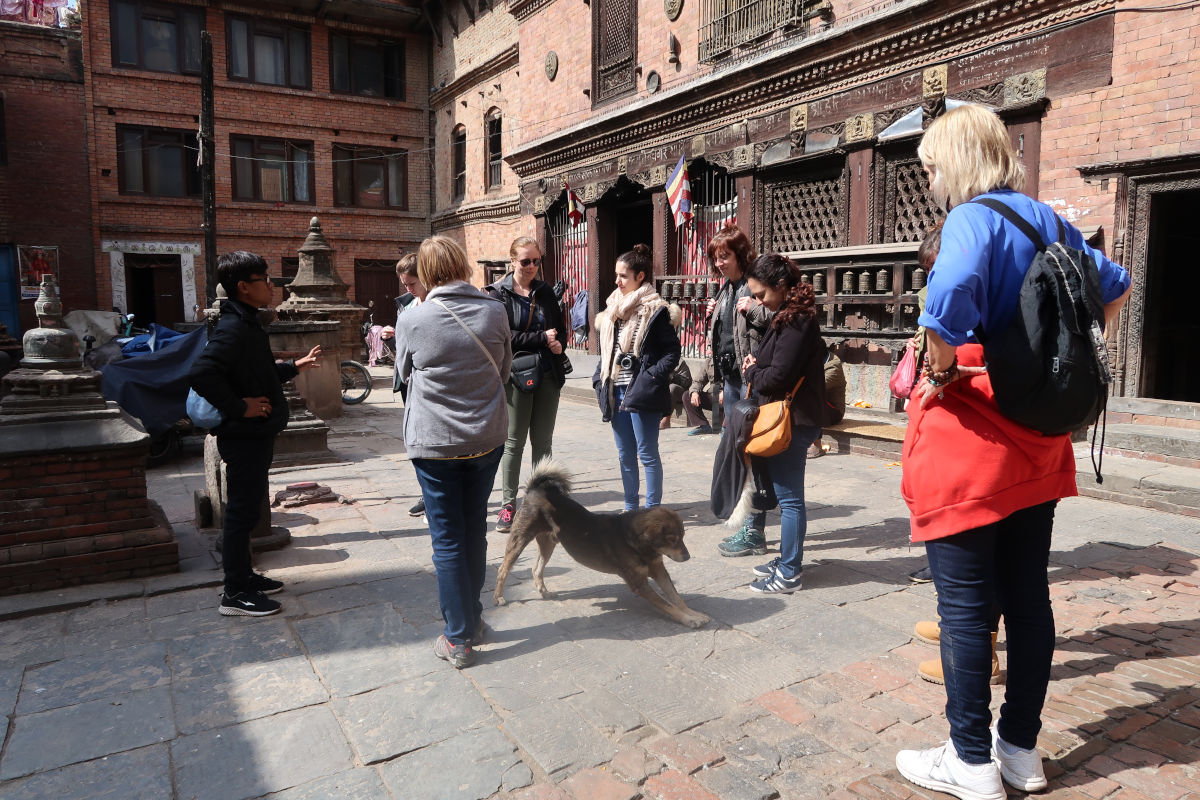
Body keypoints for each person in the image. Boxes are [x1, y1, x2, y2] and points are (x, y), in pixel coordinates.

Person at [893, 104, 1131, 800]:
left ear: (957, 161)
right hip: (1040, 442)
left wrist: (944, 367)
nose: (932, 180)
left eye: (933, 166)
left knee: (965, 607)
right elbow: (1112, 287)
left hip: (971, 447)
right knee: (1028, 600)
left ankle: (968, 761)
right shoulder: (1046, 217)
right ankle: (1019, 752)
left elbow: (945, 309)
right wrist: (1049, 361)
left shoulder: (971, 220)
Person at [394, 236, 511, 670]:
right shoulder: (493, 310)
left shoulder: (413, 317)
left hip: (435, 442)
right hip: (485, 438)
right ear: (463, 264)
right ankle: (474, 621)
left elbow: (403, 373)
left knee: (446, 540)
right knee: (473, 530)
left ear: (424, 273)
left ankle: (458, 636)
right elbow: (502, 371)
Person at [189, 251, 322, 617]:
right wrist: (239, 406)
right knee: (240, 514)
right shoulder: (233, 328)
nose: (270, 285)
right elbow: (202, 374)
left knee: (247, 513)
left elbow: (257, 373)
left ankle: (246, 576)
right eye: (263, 279)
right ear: (244, 287)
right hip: (243, 434)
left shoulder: (247, 323)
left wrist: (293, 367)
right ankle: (234, 593)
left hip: (256, 435)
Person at [738, 253, 827, 593]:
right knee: (787, 496)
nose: (758, 301)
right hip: (787, 417)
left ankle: (789, 572)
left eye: (761, 294)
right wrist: (757, 367)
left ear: (780, 286)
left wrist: (751, 370)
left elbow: (777, 375)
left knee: (790, 500)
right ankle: (788, 560)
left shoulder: (797, 320)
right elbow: (771, 365)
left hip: (793, 420)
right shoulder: (786, 316)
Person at [486, 236, 567, 532]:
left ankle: (539, 502)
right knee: (514, 441)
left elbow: (561, 330)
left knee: (543, 442)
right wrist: (540, 339)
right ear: (512, 262)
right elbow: (502, 335)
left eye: (536, 261)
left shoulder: (546, 292)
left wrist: (559, 345)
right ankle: (508, 505)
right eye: (525, 261)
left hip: (547, 373)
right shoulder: (497, 294)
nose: (531, 266)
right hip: (515, 376)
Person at [593, 243, 681, 510]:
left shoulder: (656, 310)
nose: (617, 281)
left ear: (640, 277)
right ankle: (631, 507)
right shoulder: (612, 311)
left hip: (642, 391)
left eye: (623, 276)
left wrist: (652, 377)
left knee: (647, 454)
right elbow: (607, 353)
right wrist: (600, 378)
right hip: (615, 390)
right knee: (624, 455)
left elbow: (672, 351)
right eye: (617, 275)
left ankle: (652, 510)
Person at [704, 225, 774, 557]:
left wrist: (754, 308)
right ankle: (742, 518)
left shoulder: (753, 285)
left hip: (752, 382)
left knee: (751, 455)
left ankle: (754, 530)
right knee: (736, 453)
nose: (719, 262)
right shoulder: (726, 289)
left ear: (740, 254)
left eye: (725, 256)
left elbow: (779, 316)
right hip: (733, 381)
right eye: (715, 257)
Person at [392, 253, 429, 518]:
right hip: (409, 382)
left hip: (431, 384)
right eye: (404, 284)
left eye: (412, 283)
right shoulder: (406, 305)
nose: (408, 289)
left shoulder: (438, 305)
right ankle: (426, 493)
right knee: (416, 442)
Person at [685, 356, 716, 435]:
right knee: (687, 396)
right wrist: (694, 392)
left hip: (728, 397)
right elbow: (698, 381)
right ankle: (704, 426)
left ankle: (727, 428)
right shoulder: (708, 362)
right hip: (713, 397)